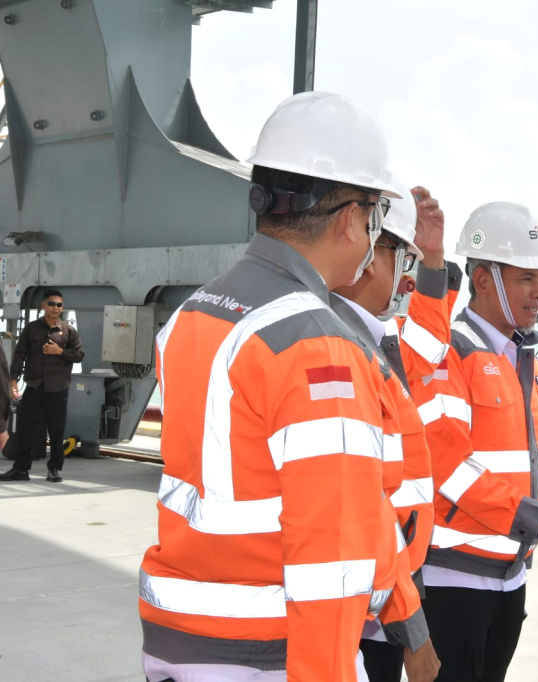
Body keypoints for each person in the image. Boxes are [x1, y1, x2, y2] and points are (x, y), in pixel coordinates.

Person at [138, 92, 401, 681]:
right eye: (376, 215)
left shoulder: (194, 313)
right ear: (351, 219)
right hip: (263, 654)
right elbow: (330, 556)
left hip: (179, 638)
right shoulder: (317, 344)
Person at [410, 202, 538, 682]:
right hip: (454, 583)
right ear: (482, 280)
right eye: (526, 279)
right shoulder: (449, 352)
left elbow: (524, 464)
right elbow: (448, 464)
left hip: (509, 576)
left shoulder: (528, 362)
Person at [333, 179, 455, 682]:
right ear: (365, 249)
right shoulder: (341, 345)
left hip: (382, 591)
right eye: (400, 260)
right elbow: (361, 504)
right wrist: (412, 628)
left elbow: (428, 341)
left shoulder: (379, 336)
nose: (407, 281)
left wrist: (431, 259)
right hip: (367, 598)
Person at [2, 289, 84, 483]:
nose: (56, 308)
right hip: (35, 385)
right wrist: (13, 379)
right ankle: (21, 469)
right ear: (43, 305)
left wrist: (59, 351)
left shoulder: (69, 331)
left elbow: (79, 355)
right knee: (25, 426)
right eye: (52, 304)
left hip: (58, 386)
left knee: (56, 429)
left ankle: (55, 469)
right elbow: (20, 354)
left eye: (59, 305)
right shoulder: (31, 329)